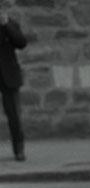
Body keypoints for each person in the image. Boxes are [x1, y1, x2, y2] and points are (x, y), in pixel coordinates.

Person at [0, 0, 26, 162]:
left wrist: (6, 25)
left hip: (7, 75)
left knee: (14, 115)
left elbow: (21, 43)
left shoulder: (10, 24)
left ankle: (19, 150)